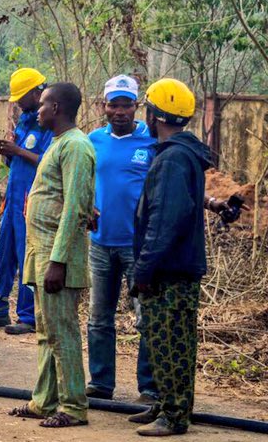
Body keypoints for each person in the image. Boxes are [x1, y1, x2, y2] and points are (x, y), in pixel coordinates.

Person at [127, 79, 214, 436]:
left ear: (156, 115)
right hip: (173, 268)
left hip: (170, 272)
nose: (145, 116)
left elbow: (165, 218)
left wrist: (144, 268)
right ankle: (166, 404)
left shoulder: (173, 159)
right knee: (165, 341)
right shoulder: (179, 154)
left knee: (171, 344)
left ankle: (175, 416)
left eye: (147, 109)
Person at [8, 82, 94, 428]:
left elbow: (75, 206)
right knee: (46, 331)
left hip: (58, 257)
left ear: (56, 108)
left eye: (43, 104)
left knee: (62, 332)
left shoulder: (76, 145)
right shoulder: (59, 143)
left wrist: (58, 261)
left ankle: (73, 407)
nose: (38, 109)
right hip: (41, 251)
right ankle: (44, 401)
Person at [85, 75, 158, 404]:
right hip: (100, 244)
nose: (119, 111)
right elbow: (83, 182)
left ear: (136, 106)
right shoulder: (93, 141)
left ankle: (149, 388)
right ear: (103, 106)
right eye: (113, 104)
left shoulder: (151, 142)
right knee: (99, 318)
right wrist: (86, 207)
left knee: (146, 318)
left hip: (137, 247)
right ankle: (101, 383)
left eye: (126, 105)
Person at [0, 67, 53, 335]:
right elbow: (17, 162)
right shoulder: (24, 121)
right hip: (13, 200)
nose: (17, 103)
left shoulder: (50, 124)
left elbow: (49, 162)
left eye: (21, 97)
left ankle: (28, 316)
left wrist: (17, 150)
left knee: (26, 256)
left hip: (32, 201)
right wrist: (8, 152)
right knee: (4, 254)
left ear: (37, 93)